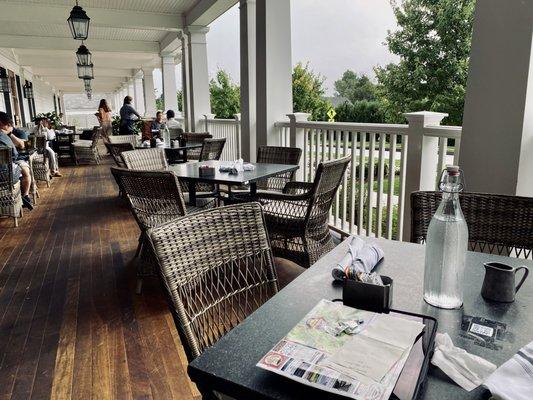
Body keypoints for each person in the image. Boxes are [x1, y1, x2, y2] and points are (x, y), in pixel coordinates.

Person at [0, 112, 34, 210]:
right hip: (7, 175)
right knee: (23, 170)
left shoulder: (10, 134)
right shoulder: (4, 136)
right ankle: (21, 196)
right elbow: (14, 155)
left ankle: (22, 196)